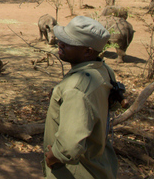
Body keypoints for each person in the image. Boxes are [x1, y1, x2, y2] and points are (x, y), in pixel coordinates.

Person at [43, 16, 118, 179]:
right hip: (99, 163)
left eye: (69, 42)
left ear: (87, 51)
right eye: (62, 38)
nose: (60, 43)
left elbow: (69, 148)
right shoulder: (103, 70)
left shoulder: (77, 88)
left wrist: (53, 156)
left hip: (77, 172)